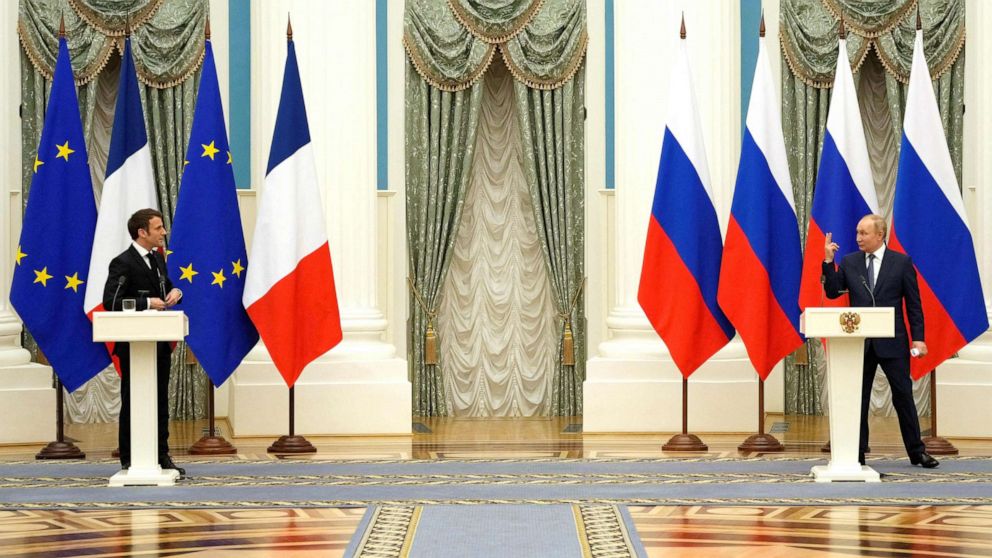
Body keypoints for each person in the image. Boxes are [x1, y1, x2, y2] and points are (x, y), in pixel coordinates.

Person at [822, 214, 938, 469]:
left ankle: (917, 452)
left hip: (893, 341)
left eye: (863, 233)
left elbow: (914, 305)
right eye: (857, 233)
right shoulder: (850, 262)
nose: (857, 238)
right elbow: (832, 293)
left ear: (880, 235)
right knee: (858, 398)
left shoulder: (901, 263)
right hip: (859, 343)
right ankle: (857, 453)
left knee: (903, 396)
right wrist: (829, 262)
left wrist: (918, 338)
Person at [102, 208, 185, 475]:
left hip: (157, 342)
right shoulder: (122, 262)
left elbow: (167, 287)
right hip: (133, 345)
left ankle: (161, 455)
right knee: (133, 399)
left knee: (159, 399)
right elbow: (110, 302)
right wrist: (147, 303)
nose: (164, 232)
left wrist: (176, 292)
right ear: (142, 232)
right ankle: (129, 457)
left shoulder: (158, 260)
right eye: (159, 228)